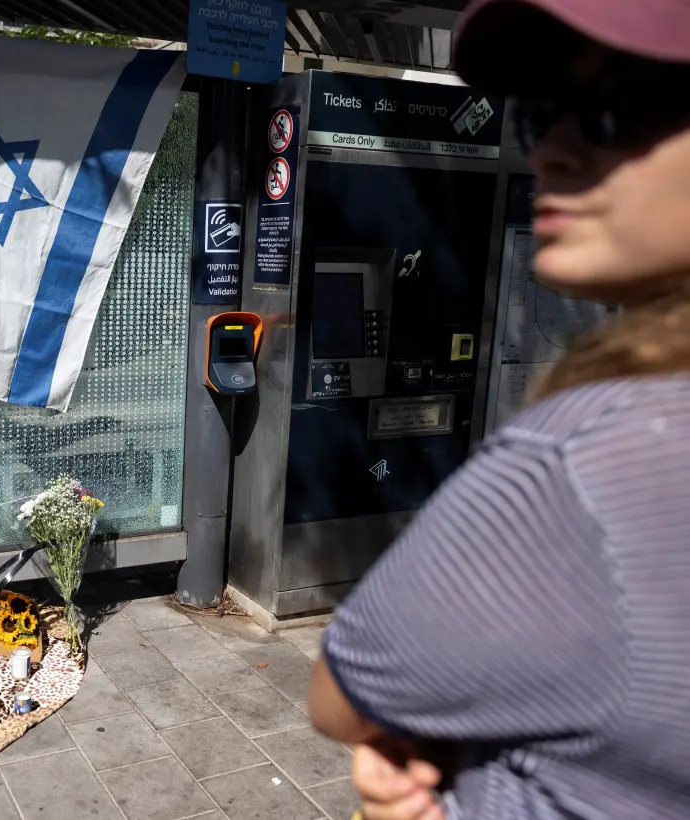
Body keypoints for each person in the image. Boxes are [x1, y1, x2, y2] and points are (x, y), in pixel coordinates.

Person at [305, 1, 690, 818]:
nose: (547, 149)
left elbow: (342, 697)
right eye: (540, 114)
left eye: (615, 105)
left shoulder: (583, 458)